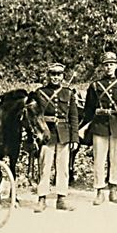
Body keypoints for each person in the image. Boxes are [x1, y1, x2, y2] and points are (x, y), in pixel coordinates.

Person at [81, 52, 117, 205]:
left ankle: (113, 189)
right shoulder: (95, 86)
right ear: (103, 67)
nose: (109, 67)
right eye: (106, 65)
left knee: (116, 159)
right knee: (99, 160)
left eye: (111, 64)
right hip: (99, 125)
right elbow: (88, 109)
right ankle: (99, 190)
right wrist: (85, 126)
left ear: (116, 66)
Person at [33, 63, 80, 212]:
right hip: (47, 134)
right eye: (52, 74)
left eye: (58, 75)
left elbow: (73, 117)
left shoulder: (68, 93)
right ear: (48, 76)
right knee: (45, 167)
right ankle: (42, 198)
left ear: (62, 76)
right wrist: (37, 134)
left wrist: (74, 138)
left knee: (63, 167)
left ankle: (61, 198)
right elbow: (34, 116)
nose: (55, 77)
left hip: (64, 134)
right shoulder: (40, 93)